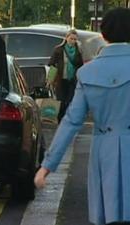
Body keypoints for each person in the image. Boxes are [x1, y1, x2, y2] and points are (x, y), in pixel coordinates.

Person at [35, 7, 130, 225]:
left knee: (109, 214)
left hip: (104, 150)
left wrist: (47, 166)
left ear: (103, 34)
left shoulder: (88, 73)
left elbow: (71, 122)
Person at [48, 29, 84, 122]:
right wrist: (50, 79)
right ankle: (60, 119)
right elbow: (52, 64)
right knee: (61, 101)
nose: (73, 41)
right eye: (71, 39)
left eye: (75, 39)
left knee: (70, 101)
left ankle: (67, 119)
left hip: (72, 79)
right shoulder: (59, 50)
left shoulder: (78, 51)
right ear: (66, 38)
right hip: (61, 79)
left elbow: (80, 65)